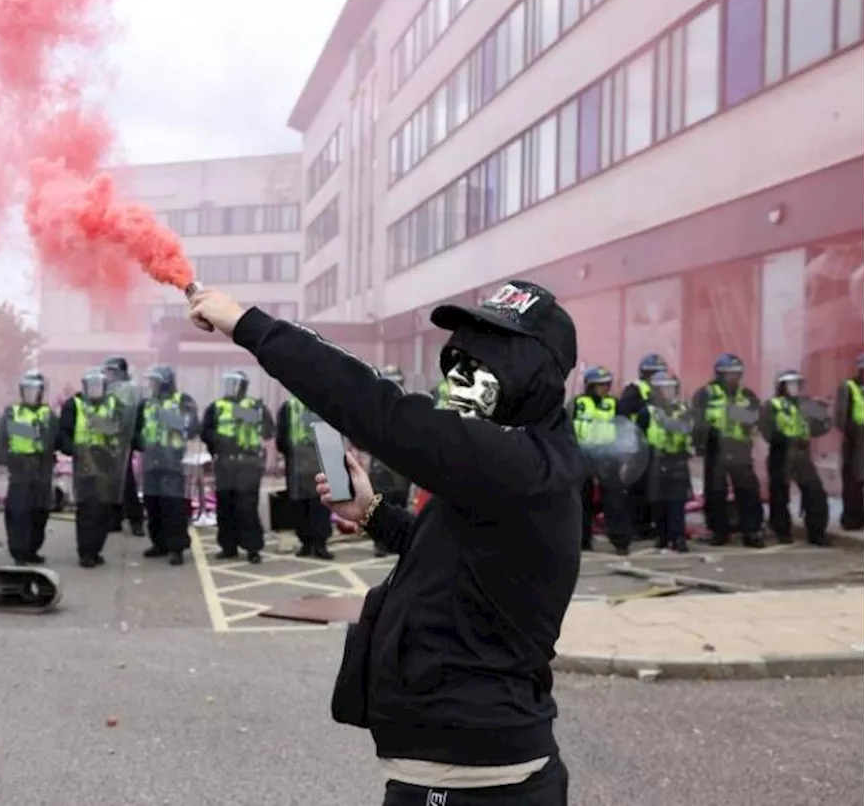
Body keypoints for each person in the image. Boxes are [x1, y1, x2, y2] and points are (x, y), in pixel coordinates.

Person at [189, 280, 581, 806]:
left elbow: (378, 409)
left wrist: (248, 324)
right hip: (460, 768)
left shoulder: (520, 464)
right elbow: (453, 555)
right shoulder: (504, 463)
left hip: (477, 782)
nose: (458, 377)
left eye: (484, 360)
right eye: (458, 359)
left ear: (529, 375)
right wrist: (372, 512)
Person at [56, 368, 134, 567]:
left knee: (104, 509)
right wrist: (72, 450)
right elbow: (63, 433)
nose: (95, 390)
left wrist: (104, 428)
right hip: (85, 463)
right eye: (92, 386)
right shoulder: (75, 405)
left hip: (108, 463)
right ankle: (86, 552)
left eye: (99, 386)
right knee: (87, 509)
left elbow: (123, 428)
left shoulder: (114, 404)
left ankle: (96, 548)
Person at [200, 369, 274, 565]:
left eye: (235, 383)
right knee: (225, 507)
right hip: (224, 463)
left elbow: (268, 431)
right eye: (228, 383)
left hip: (248, 464)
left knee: (247, 507)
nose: (230, 388)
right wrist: (218, 441)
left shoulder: (254, 407)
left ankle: (253, 548)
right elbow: (205, 432)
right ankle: (228, 546)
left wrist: (241, 412)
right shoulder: (216, 407)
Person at [691, 354, 765, 547]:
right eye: (729, 375)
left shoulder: (747, 394)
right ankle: (718, 531)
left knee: (748, 491)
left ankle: (752, 531)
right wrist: (700, 444)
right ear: (719, 375)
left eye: (737, 374)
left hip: (740, 449)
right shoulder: (705, 394)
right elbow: (697, 419)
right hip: (716, 448)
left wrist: (738, 414)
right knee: (715, 492)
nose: (734, 379)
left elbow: (756, 417)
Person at [135, 365, 198, 565]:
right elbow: (137, 429)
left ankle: (176, 548)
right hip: (151, 461)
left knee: (173, 507)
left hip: (172, 462)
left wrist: (168, 417)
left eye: (154, 381)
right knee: (153, 505)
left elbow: (193, 427)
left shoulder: (183, 400)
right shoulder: (146, 403)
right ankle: (159, 543)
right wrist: (142, 445)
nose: (151, 385)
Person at [759, 369, 831, 546]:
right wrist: (784, 439)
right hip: (780, 453)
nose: (794, 388)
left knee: (815, 493)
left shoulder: (806, 404)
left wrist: (822, 411)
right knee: (780, 496)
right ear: (781, 386)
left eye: (797, 384)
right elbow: (766, 430)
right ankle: (782, 531)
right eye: (790, 384)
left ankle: (817, 533)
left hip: (802, 453)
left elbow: (823, 426)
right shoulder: (772, 405)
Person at [0, 370, 57, 565]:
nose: (31, 394)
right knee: (18, 512)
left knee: (40, 512)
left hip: (43, 468)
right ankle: (19, 551)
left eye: (35, 390)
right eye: (28, 390)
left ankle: (32, 549)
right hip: (20, 469)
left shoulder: (48, 414)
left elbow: (53, 438)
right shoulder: (12, 412)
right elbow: (5, 436)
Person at [573, 366, 632, 555]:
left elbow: (625, 430)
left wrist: (624, 456)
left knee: (614, 501)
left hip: (608, 457)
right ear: (590, 386)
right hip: (583, 457)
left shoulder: (615, 404)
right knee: (581, 502)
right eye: (600, 385)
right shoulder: (577, 404)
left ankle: (621, 541)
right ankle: (582, 540)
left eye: (607, 384)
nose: (605, 388)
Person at [276, 393, 333, 560]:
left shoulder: (326, 403)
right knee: (300, 505)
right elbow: (281, 436)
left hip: (320, 460)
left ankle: (320, 543)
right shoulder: (290, 406)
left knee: (322, 503)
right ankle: (306, 543)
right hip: (298, 463)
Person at [365, 365, 413, 558]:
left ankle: (393, 542)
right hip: (384, 464)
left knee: (398, 501)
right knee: (381, 502)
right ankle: (381, 543)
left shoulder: (409, 405)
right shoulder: (377, 406)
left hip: (400, 464)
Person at [617, 353, 667, 539]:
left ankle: (652, 525)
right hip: (639, 446)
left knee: (656, 489)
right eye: (653, 372)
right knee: (638, 487)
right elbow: (624, 414)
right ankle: (636, 526)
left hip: (659, 446)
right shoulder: (635, 390)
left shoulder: (665, 390)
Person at [644, 372, 694, 552]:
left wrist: (665, 419)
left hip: (677, 458)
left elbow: (684, 427)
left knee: (676, 501)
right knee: (658, 501)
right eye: (663, 388)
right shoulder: (648, 410)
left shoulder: (682, 408)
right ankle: (662, 535)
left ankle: (678, 536)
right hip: (656, 458)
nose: (668, 392)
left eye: (671, 388)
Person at [102, 355, 145, 537]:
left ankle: (136, 520)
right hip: (108, 439)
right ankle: (114, 518)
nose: (109, 375)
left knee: (126, 483)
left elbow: (128, 416)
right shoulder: (106, 389)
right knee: (110, 482)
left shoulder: (130, 390)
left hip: (123, 439)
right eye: (107, 371)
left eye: (112, 371)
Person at [834, 353, 864, 531]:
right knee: (853, 479)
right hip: (855, 439)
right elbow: (840, 416)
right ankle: (853, 518)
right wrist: (852, 432)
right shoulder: (848, 387)